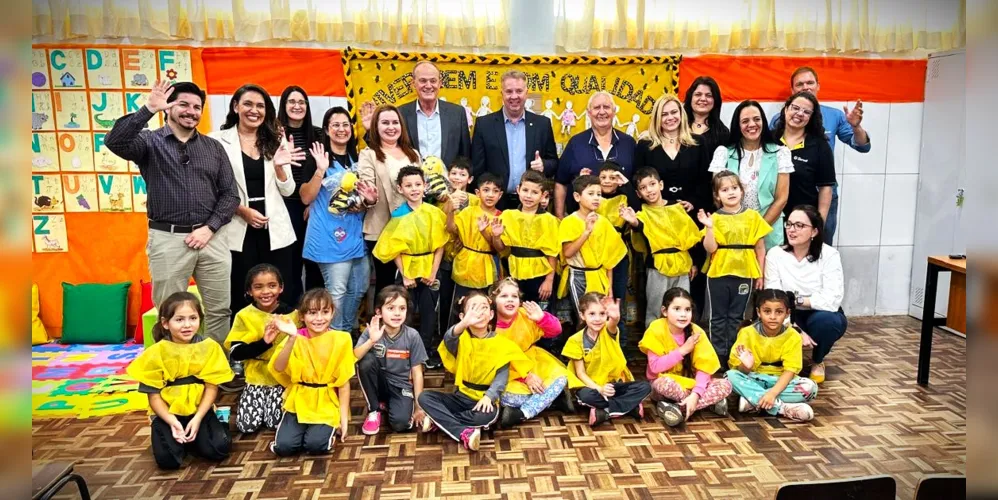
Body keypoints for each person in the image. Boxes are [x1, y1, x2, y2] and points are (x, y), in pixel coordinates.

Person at [105, 80, 239, 344]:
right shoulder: (148, 142)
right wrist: (147, 109)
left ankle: (215, 366)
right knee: (168, 311)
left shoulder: (213, 148)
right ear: (168, 107)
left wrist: (209, 228)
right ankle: (170, 370)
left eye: (197, 107)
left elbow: (230, 195)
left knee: (219, 310)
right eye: (184, 105)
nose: (192, 111)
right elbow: (115, 141)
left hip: (211, 238)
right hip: (168, 239)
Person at [212, 84, 305, 323]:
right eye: (248, 104)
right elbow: (211, 188)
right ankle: (241, 351)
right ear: (236, 107)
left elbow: (289, 189)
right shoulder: (217, 141)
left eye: (261, 106)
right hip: (237, 225)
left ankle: (281, 347)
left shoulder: (275, 141)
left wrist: (278, 168)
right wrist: (241, 211)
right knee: (240, 291)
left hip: (274, 227)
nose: (255, 110)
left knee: (280, 290)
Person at [126, 292, 233, 469]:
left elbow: (212, 387)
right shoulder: (156, 352)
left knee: (219, 450)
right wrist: (172, 422)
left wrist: (198, 418)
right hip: (168, 413)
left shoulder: (210, 347)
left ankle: (214, 425)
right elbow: (153, 396)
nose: (187, 325)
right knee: (168, 461)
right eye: (179, 319)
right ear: (165, 323)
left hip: (199, 410)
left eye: (193, 318)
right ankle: (180, 437)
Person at [419, 291, 532, 451]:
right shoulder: (461, 339)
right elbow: (448, 338)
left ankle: (440, 422)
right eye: (473, 308)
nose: (479, 313)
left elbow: (501, 377)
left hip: (483, 401)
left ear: (491, 314)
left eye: (484, 308)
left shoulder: (503, 344)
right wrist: (464, 324)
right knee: (425, 397)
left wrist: (489, 397)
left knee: (489, 415)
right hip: (461, 397)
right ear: (462, 316)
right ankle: (463, 432)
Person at [300, 107, 377, 333]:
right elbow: (306, 197)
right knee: (337, 291)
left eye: (345, 125)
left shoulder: (358, 157)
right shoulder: (318, 158)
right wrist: (320, 171)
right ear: (326, 129)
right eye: (335, 125)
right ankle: (331, 339)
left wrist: (364, 202)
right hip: (328, 237)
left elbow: (365, 194)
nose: (341, 129)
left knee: (359, 288)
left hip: (355, 235)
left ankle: (342, 333)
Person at [782, 66, 871, 243]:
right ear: (792, 90)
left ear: (818, 86)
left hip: (825, 195)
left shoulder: (834, 115)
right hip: (790, 195)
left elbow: (862, 146)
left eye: (810, 83)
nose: (806, 87)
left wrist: (856, 126)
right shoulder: (782, 118)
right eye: (800, 84)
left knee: (820, 247)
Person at [372, 166, 448, 369]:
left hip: (430, 267)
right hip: (407, 269)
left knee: (429, 312)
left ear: (425, 186)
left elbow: (440, 246)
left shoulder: (434, 213)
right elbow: (393, 247)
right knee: (404, 310)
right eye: (408, 185)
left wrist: (433, 272)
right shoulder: (399, 214)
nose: (414, 189)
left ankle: (425, 353)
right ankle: (402, 352)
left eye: (417, 184)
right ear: (400, 188)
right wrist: (405, 275)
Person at [765, 205, 847, 384]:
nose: (792, 230)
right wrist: (795, 329)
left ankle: (817, 361)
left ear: (814, 231)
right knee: (769, 318)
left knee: (828, 322)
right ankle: (785, 361)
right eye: (789, 224)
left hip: (819, 312)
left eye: (800, 225)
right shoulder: (775, 254)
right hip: (783, 312)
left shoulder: (829, 255)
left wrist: (797, 300)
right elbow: (773, 296)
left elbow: (832, 299)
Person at [268, 288, 356, 456]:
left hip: (326, 401)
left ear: (332, 313)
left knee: (315, 445)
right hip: (299, 399)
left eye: (325, 312)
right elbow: (278, 367)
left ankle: (322, 435)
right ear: (302, 316)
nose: (319, 318)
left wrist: (343, 420)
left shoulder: (341, 339)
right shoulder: (295, 337)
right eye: (312, 313)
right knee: (284, 447)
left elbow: (344, 384)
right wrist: (292, 338)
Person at [698, 171, 772, 363]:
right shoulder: (714, 218)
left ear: (742, 190)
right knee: (718, 316)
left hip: (745, 271)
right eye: (724, 189)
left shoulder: (753, 217)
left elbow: (760, 247)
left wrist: (761, 275)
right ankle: (717, 357)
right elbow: (710, 248)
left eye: (734, 188)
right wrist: (709, 227)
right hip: (719, 271)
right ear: (717, 195)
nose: (730, 192)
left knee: (737, 316)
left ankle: (734, 355)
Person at [619, 168, 701, 328]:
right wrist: (633, 221)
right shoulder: (643, 211)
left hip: (682, 264)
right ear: (638, 193)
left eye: (652, 184)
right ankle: (654, 345)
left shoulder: (677, 207)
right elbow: (639, 225)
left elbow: (690, 236)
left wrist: (694, 262)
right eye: (643, 188)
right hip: (657, 266)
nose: (649, 190)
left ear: (661, 185)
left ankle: (679, 343)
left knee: (682, 304)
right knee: (656, 307)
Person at [639, 288, 731, 427]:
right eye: (677, 309)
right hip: (664, 383)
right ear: (664, 311)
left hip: (691, 385)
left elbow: (705, 368)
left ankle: (677, 408)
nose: (683, 315)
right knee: (663, 384)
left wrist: (695, 395)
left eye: (687, 310)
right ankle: (705, 403)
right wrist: (682, 351)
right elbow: (655, 367)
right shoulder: (655, 329)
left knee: (726, 384)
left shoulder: (696, 332)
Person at [709, 100, 793, 250]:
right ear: (737, 125)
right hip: (732, 232)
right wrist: (739, 227)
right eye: (745, 121)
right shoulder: (724, 153)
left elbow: (782, 199)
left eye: (756, 119)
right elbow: (717, 196)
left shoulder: (780, 153)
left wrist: (757, 231)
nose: (752, 124)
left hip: (768, 231)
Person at [490, 278, 573, 428]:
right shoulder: (489, 324)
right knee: (507, 398)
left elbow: (556, 331)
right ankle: (553, 399)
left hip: (533, 360)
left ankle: (521, 414)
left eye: (514, 296)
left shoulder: (525, 314)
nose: (510, 300)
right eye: (504, 296)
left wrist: (541, 318)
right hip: (507, 371)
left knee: (561, 377)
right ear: (493, 300)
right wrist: (525, 377)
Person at [726, 289, 819, 422]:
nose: (773, 317)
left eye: (779, 312)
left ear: (788, 313)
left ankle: (753, 401)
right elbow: (738, 371)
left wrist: (772, 393)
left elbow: (790, 370)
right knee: (730, 376)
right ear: (759, 312)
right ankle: (782, 408)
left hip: (781, 381)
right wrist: (746, 367)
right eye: (767, 311)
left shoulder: (793, 336)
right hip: (754, 378)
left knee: (810, 388)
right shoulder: (747, 333)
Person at [224, 264, 297, 434]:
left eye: (272, 286)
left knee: (275, 423)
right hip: (256, 377)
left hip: (282, 378)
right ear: (249, 291)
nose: (266, 292)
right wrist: (264, 343)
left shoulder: (293, 314)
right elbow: (236, 352)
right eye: (258, 287)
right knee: (246, 426)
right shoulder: (244, 315)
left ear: (281, 288)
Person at [358, 104, 422, 295]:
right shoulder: (368, 154)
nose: (391, 127)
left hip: (411, 229)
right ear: (376, 127)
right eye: (385, 123)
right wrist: (368, 198)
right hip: (381, 228)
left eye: (395, 122)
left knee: (411, 283)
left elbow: (420, 187)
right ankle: (381, 323)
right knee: (386, 284)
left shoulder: (413, 154)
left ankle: (406, 323)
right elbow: (366, 189)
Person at [471, 70, 558, 210]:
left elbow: (554, 162)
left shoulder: (542, 124)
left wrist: (544, 165)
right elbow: (477, 168)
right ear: (502, 94)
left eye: (519, 91)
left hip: (531, 205)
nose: (514, 96)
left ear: (526, 93)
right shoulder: (484, 125)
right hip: (495, 204)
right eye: (509, 91)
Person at [562, 293, 651, 427]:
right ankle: (629, 407)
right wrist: (599, 389)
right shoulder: (575, 341)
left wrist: (615, 318)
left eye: (602, 314)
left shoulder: (608, 330)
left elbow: (613, 324)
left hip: (612, 384)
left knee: (645, 386)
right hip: (592, 387)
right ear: (582, 315)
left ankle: (604, 411)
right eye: (592, 314)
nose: (597, 319)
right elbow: (580, 374)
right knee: (586, 396)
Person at [359, 61, 471, 167]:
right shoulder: (400, 113)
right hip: (410, 184)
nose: (428, 85)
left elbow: (466, 156)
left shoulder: (457, 113)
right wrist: (370, 130)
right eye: (423, 81)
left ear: (440, 83)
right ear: (413, 84)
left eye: (433, 81)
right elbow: (385, 150)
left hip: (448, 184)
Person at [683, 76, 729, 322]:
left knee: (702, 265)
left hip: (708, 209)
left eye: (708, 95)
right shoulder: (675, 126)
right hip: (677, 207)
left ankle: (698, 320)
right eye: (698, 94)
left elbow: (720, 176)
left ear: (716, 101)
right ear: (689, 97)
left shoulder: (722, 133)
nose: (702, 99)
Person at [353, 285, 428, 435]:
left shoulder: (412, 335)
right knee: (366, 361)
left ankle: (387, 405)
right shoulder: (372, 331)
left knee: (400, 424)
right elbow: (355, 357)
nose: (397, 313)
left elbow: (417, 373)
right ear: (379, 311)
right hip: (379, 383)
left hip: (401, 386)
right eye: (391, 308)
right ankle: (374, 410)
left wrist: (419, 406)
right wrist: (371, 341)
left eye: (402, 308)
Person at [555, 92, 637, 218]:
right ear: (589, 113)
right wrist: (559, 216)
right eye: (597, 107)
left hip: (622, 225)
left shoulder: (629, 143)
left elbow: (637, 183)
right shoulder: (576, 143)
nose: (602, 112)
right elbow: (561, 182)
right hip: (582, 225)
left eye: (606, 107)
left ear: (614, 111)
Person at [277, 86, 324, 301]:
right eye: (291, 101)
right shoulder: (273, 133)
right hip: (283, 205)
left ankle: (314, 311)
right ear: (283, 105)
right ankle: (290, 308)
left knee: (314, 261)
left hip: (312, 205)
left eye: (301, 102)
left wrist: (314, 203)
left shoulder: (318, 134)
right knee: (289, 261)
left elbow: (327, 171)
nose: (297, 106)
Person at [558, 175, 627, 320]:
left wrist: (610, 288)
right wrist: (586, 232)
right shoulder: (569, 221)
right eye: (591, 194)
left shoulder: (604, 222)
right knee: (583, 318)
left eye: (599, 194)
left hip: (600, 275)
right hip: (578, 275)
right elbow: (568, 253)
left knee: (601, 318)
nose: (596, 198)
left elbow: (610, 260)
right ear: (577, 197)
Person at [495, 170, 560, 306]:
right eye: (525, 190)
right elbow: (501, 249)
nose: (528, 196)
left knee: (539, 312)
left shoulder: (549, 220)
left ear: (543, 196)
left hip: (540, 274)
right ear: (518, 190)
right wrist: (496, 236)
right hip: (514, 271)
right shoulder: (507, 216)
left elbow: (553, 253)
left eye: (535, 192)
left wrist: (549, 280)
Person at [446, 172, 504, 324]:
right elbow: (452, 229)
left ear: (500, 195)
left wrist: (487, 232)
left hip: (488, 264)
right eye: (486, 190)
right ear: (477, 193)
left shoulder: (502, 216)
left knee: (486, 302)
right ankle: (455, 337)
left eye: (495, 191)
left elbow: (499, 248)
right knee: (460, 303)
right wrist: (451, 211)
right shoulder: (468, 212)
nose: (490, 195)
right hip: (465, 263)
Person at [770, 91, 836, 223]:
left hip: (802, 221)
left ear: (811, 117)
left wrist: (819, 224)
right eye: (795, 108)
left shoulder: (820, 146)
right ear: (786, 109)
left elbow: (826, 188)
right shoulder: (769, 140)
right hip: (770, 216)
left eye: (806, 112)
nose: (800, 113)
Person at [635, 94, 703, 214]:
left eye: (674, 112)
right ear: (656, 118)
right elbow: (638, 181)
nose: (670, 117)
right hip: (656, 215)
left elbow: (705, 180)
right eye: (664, 114)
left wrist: (693, 202)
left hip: (691, 215)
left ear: (681, 114)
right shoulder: (645, 145)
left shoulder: (698, 143)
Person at [437, 157, 479, 348]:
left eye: (462, 174)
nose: (457, 177)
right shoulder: (439, 198)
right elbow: (439, 224)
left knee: (464, 299)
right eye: (453, 173)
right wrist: (449, 205)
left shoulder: (476, 201)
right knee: (444, 299)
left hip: (468, 257)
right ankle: (443, 340)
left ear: (470, 179)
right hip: (445, 254)